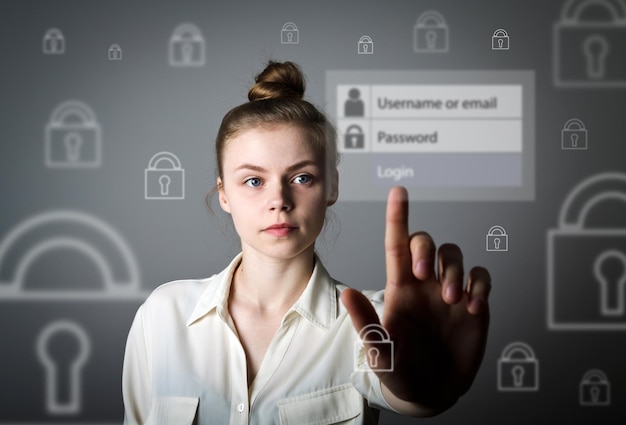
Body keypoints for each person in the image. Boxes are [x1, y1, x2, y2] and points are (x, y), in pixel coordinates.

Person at [122, 61, 491, 425]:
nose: (279, 199)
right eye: (253, 181)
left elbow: (411, 390)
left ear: (332, 186)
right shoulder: (162, 316)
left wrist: (430, 386)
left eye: (301, 177)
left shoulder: (375, 323)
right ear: (223, 193)